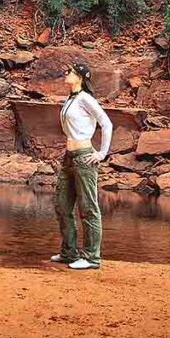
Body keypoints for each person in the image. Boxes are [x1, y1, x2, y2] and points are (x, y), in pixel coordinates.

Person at [51, 61, 113, 270]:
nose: (65, 73)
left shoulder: (86, 98)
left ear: (79, 77)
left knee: (88, 208)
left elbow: (106, 123)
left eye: (69, 71)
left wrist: (101, 153)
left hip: (84, 157)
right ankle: (69, 252)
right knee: (62, 205)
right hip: (69, 157)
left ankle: (92, 258)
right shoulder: (72, 98)